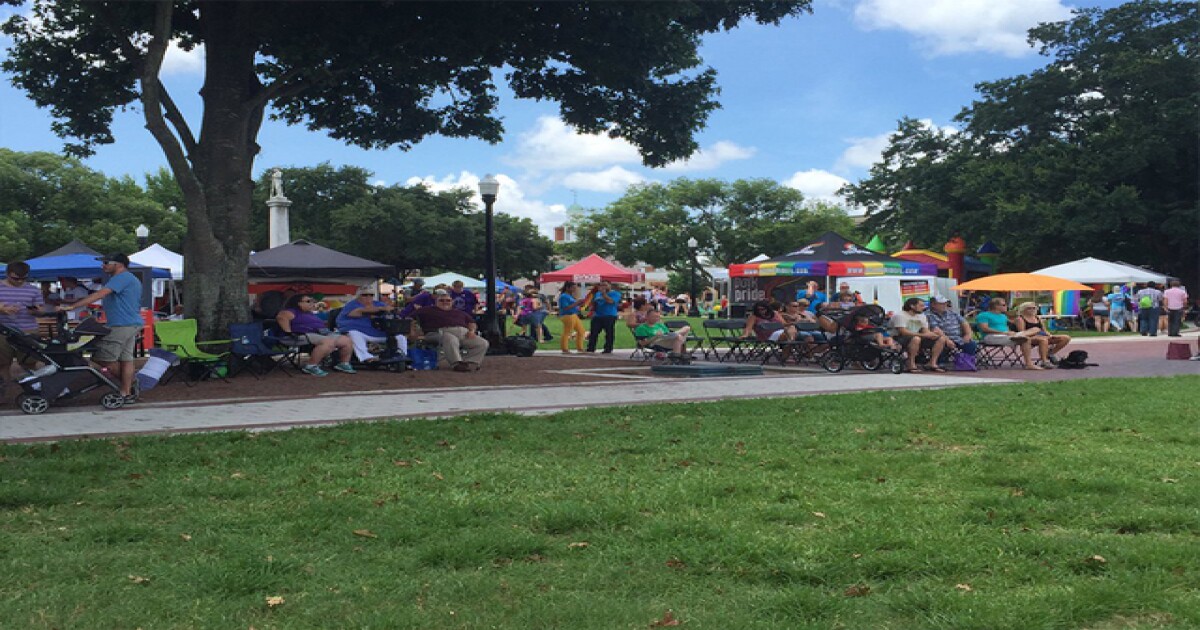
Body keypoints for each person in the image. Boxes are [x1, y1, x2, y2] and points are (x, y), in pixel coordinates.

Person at [57, 254, 144, 400]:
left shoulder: (121, 278)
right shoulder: (128, 278)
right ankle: (127, 391)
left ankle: (128, 385)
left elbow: (100, 294)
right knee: (126, 359)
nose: (103, 265)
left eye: (106, 262)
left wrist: (71, 306)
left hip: (121, 325)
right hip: (130, 324)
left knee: (103, 358)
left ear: (119, 264)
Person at [276, 293, 356, 377]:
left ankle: (343, 364)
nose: (312, 303)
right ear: (298, 303)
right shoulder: (290, 311)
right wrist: (288, 331)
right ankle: (311, 366)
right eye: (308, 301)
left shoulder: (309, 313)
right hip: (298, 336)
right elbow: (281, 317)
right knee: (327, 341)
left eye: (312, 301)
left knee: (346, 340)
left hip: (320, 333)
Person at [0, 261, 45, 400]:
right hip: (3, 332)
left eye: (23, 278)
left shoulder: (33, 290)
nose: (19, 281)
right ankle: (2, 395)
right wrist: (2, 309)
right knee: (2, 364)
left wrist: (36, 311)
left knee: (29, 363)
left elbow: (41, 309)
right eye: (15, 278)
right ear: (7, 274)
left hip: (28, 331)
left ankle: (37, 392)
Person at [412, 293, 489, 371]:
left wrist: (472, 331)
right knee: (450, 338)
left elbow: (471, 323)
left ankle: (469, 362)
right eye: (442, 300)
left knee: (482, 343)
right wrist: (414, 332)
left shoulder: (459, 312)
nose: (445, 302)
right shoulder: (426, 310)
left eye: (448, 300)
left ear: (452, 302)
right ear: (436, 302)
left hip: (464, 333)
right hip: (437, 333)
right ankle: (457, 364)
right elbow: (410, 318)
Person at [336, 286, 409, 363]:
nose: (368, 297)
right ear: (358, 296)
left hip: (376, 332)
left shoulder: (378, 304)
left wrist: (394, 311)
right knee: (353, 333)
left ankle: (402, 356)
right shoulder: (352, 304)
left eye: (371, 295)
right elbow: (355, 313)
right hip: (359, 332)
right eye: (364, 295)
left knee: (400, 336)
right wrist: (379, 309)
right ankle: (366, 357)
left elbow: (390, 310)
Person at [974, 297, 1042, 370]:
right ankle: (1029, 364)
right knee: (1025, 339)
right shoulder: (983, 315)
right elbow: (985, 329)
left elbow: (1013, 323)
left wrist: (1025, 318)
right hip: (991, 336)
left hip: (1007, 335)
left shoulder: (1003, 316)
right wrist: (1004, 332)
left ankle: (1021, 336)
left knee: (1035, 329)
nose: (1006, 306)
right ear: (996, 306)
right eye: (1004, 305)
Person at [889, 297, 948, 373]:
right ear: (912, 306)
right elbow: (903, 331)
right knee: (916, 338)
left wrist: (933, 335)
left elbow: (925, 330)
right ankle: (911, 364)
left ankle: (932, 363)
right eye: (921, 306)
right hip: (898, 337)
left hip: (917, 336)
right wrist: (923, 335)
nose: (923, 308)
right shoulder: (900, 315)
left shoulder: (922, 316)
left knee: (940, 339)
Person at [1013, 302, 1070, 367]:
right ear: (1023, 309)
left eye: (1034, 308)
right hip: (1028, 338)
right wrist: (1036, 334)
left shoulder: (1038, 318)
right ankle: (1044, 361)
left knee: (1065, 338)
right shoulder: (1020, 319)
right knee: (1043, 339)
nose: (1032, 310)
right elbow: (1022, 333)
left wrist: (1050, 335)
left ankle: (1050, 353)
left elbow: (1044, 330)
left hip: (1042, 335)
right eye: (1029, 308)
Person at [586, 281, 621, 354]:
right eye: (601, 285)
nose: (603, 287)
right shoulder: (597, 294)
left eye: (605, 285)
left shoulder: (615, 293)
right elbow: (595, 303)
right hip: (598, 315)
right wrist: (591, 310)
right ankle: (591, 348)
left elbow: (611, 301)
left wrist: (604, 294)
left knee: (609, 333)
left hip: (609, 315)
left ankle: (608, 348)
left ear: (610, 285)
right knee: (593, 332)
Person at [557, 281, 589, 354]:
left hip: (573, 314)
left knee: (581, 331)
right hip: (567, 315)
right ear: (568, 288)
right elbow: (565, 307)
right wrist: (577, 303)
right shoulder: (564, 296)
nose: (574, 289)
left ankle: (580, 348)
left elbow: (574, 305)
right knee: (567, 332)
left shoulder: (570, 296)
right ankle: (564, 348)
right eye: (573, 288)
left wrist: (580, 304)